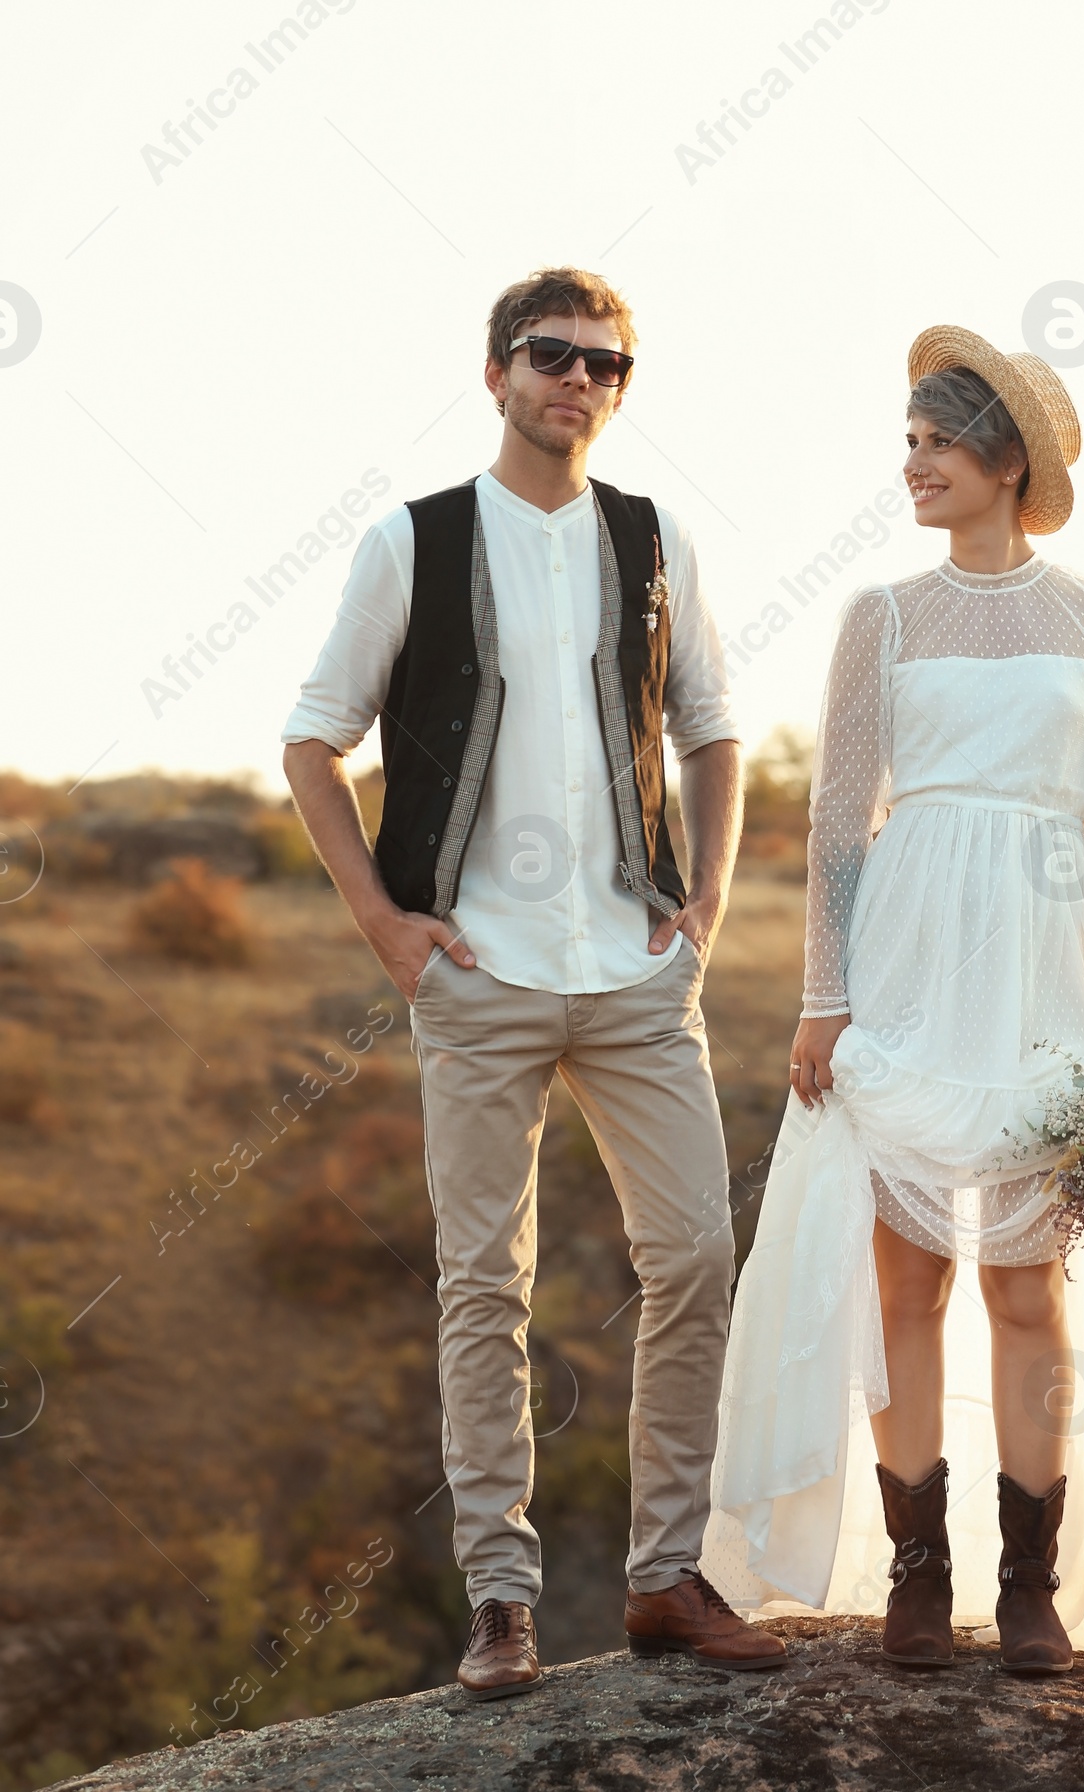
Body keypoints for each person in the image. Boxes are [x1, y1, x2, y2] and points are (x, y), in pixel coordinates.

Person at [705, 325, 1084, 1673]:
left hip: (1051, 966)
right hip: (904, 956)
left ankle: (1029, 1589)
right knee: (908, 1277)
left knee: (1023, 1289)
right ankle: (914, 1575)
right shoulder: (878, 618)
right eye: (908, 444)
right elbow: (837, 821)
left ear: (1005, 460)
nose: (913, 466)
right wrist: (823, 999)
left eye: (935, 444)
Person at [282, 267, 785, 1698]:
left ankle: (666, 1579)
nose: (580, 382)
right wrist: (387, 925)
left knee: (694, 1254)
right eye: (553, 357)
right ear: (496, 371)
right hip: (478, 973)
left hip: (633, 974)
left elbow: (717, 733)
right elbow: (313, 744)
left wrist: (710, 904)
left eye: (607, 366)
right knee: (480, 1283)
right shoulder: (414, 541)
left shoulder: (655, 538)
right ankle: (502, 1603)